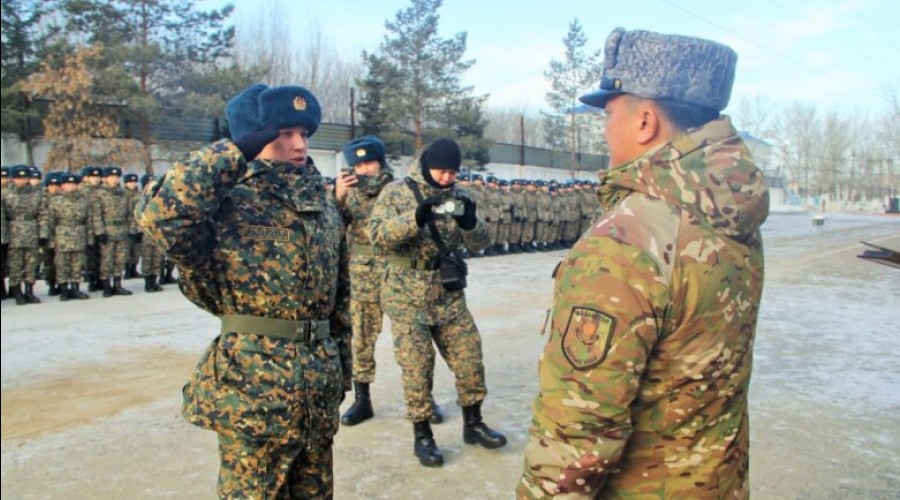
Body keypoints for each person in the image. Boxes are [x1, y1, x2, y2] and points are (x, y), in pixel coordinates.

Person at [518, 27, 770, 499]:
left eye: (609, 114)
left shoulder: (626, 243)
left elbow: (577, 437)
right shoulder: (728, 215)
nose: (605, 129)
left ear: (645, 122)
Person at [136, 82, 351, 498]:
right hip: (253, 393)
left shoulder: (322, 205)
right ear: (255, 138)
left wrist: (338, 370)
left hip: (317, 391)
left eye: (304, 133)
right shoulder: (229, 202)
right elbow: (158, 217)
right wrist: (232, 153)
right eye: (283, 133)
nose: (298, 144)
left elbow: (339, 300)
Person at [369, 137, 507, 468]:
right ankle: (423, 436)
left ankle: (473, 425)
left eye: (452, 172)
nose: (447, 178)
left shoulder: (459, 196)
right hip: (406, 297)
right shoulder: (396, 192)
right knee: (417, 370)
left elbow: (481, 243)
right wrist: (415, 218)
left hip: (449, 296)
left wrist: (471, 223)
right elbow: (378, 235)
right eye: (441, 171)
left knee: (470, 360)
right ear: (426, 165)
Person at [40, 173, 100, 300]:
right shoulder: (55, 200)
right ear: (62, 186)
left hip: (79, 236)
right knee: (62, 265)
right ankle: (64, 290)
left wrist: (90, 240)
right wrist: (49, 242)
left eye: (73, 184)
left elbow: (88, 221)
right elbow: (49, 222)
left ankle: (76, 289)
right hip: (62, 237)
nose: (71, 186)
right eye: (68, 184)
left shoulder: (83, 200)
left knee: (77, 265)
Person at [2, 165, 43, 304]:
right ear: (12, 179)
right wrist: (4, 236)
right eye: (18, 178)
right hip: (13, 232)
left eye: (24, 178)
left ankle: (29, 291)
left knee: (31, 264)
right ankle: (17, 292)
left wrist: (43, 233)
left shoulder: (37, 193)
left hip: (32, 231)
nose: (21, 180)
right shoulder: (5, 194)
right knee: (15, 264)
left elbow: (43, 214)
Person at [96, 166, 136, 297]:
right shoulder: (99, 193)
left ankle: (118, 285)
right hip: (108, 230)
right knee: (107, 259)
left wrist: (131, 230)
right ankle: (107, 286)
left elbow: (130, 214)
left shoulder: (123, 193)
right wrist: (100, 232)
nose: (114, 179)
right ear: (105, 178)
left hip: (122, 230)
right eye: (111, 177)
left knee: (120, 259)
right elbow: (96, 215)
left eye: (116, 177)